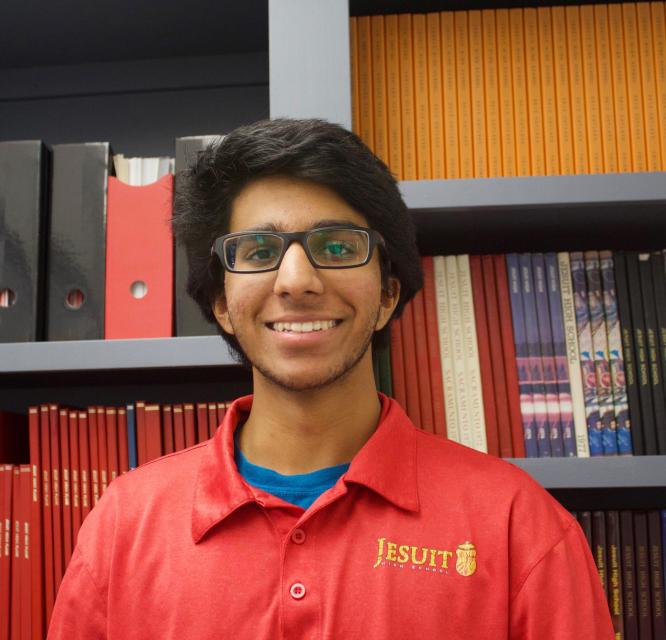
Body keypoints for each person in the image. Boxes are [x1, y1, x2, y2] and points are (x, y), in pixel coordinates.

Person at [48, 118, 614, 639]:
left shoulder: (520, 527)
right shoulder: (124, 525)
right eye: (258, 250)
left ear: (389, 294)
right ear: (222, 303)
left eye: (338, 247)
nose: (296, 281)